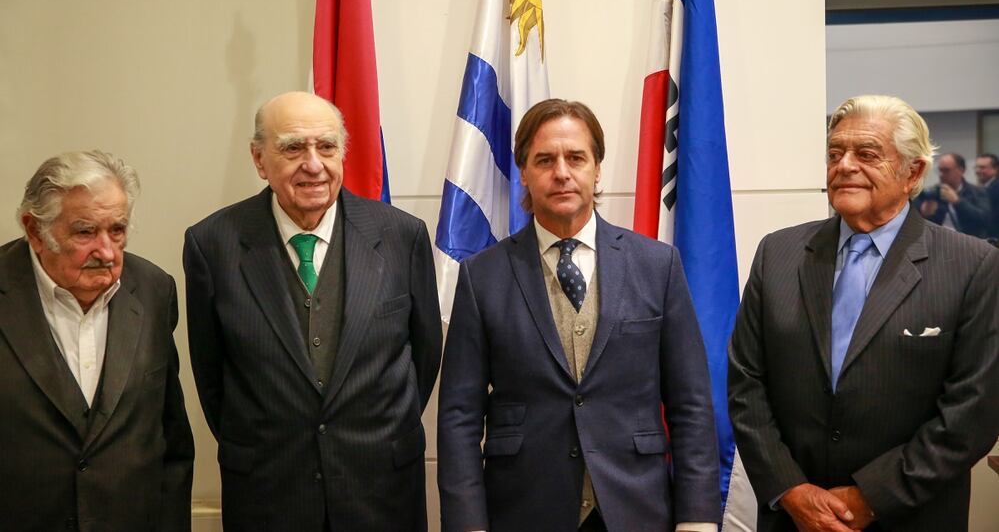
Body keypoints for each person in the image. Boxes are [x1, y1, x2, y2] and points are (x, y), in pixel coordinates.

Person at [438, 99, 721, 532]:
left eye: (576, 158)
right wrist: (467, 524)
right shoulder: (482, 277)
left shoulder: (657, 265)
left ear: (597, 168)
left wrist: (697, 519)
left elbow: (691, 404)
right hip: (524, 509)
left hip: (637, 507)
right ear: (525, 173)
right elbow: (459, 416)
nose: (562, 173)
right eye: (545, 160)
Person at [729, 95, 999, 531]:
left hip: (910, 517)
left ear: (913, 173)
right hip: (793, 520)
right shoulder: (778, 253)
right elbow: (746, 385)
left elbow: (972, 412)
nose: (845, 165)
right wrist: (791, 489)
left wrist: (870, 496)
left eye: (866, 154)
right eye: (835, 153)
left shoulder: (971, 265)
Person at [184, 91, 442, 532]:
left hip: (382, 493)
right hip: (268, 496)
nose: (313, 164)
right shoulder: (212, 244)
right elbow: (212, 377)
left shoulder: (402, 236)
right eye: (291, 148)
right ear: (259, 160)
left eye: (326, 146)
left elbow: (424, 354)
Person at [0, 151, 194, 531]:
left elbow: (171, 440)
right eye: (85, 231)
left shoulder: (154, 290)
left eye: (117, 230)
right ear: (35, 230)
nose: (106, 252)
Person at [914, 152, 991, 238]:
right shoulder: (931, 193)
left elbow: (984, 220)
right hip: (938, 242)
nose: (941, 175)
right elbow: (913, 222)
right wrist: (924, 213)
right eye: (940, 170)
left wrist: (958, 202)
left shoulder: (977, 192)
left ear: (961, 170)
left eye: (946, 170)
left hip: (968, 242)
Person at [974, 153, 999, 240]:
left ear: (995, 169)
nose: (978, 170)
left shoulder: (996, 189)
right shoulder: (983, 188)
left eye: (982, 167)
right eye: (976, 167)